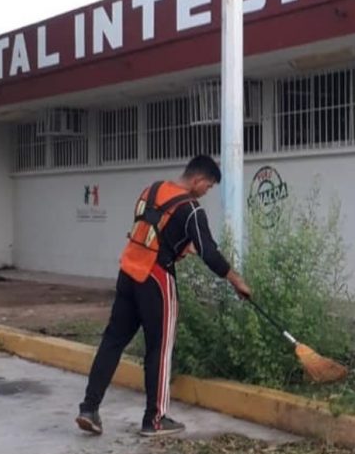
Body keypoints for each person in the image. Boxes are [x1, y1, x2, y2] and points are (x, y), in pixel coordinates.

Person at [75, 155, 251, 437]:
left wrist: (181, 248)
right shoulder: (191, 209)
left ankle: (89, 408)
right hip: (156, 280)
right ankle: (155, 419)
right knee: (159, 348)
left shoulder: (152, 190)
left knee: (112, 341)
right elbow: (209, 252)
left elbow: (152, 229)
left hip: (128, 272)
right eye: (208, 186)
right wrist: (236, 280)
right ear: (197, 180)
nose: (206, 192)